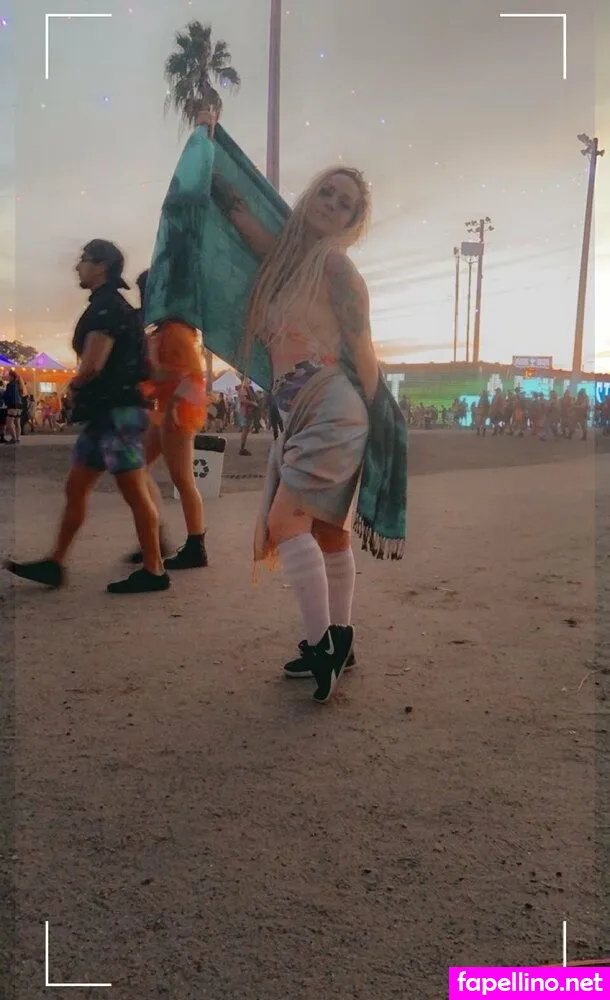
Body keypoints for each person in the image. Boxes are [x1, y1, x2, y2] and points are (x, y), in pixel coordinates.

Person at [208, 114, 384, 702]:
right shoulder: (289, 262)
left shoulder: (336, 268)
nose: (333, 204)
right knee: (329, 532)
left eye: (345, 204)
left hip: (334, 408)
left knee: (287, 524)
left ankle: (321, 649)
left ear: (352, 224)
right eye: (328, 192)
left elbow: (362, 348)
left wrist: (381, 423)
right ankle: (342, 641)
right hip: (301, 413)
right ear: (311, 195)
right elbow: (244, 224)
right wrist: (210, 140)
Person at [5, 239, 170, 594]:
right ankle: (55, 563)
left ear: (101, 266)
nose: (77, 266)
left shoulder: (106, 309)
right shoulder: (116, 307)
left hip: (116, 415)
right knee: (77, 487)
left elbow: (93, 363)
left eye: (84, 260)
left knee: (134, 491)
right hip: (110, 414)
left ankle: (155, 570)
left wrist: (73, 387)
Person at [125, 269, 208, 571]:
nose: (143, 300)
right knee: (139, 468)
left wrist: (170, 404)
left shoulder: (174, 331)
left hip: (175, 412)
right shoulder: (165, 331)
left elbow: (191, 375)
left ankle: (196, 545)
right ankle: (155, 534)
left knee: (182, 479)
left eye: (146, 294)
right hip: (166, 410)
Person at [3, 370, 24, 444]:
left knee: (9, 423)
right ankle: (17, 439)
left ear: (11, 377)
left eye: (8, 376)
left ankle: (14, 439)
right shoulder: (19, 384)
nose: (7, 377)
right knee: (17, 423)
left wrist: (5, 400)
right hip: (19, 405)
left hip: (12, 405)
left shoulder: (10, 384)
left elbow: (7, 395)